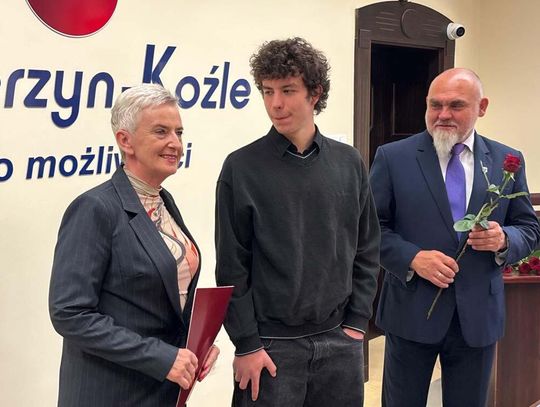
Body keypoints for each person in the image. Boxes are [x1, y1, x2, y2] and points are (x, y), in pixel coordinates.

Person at [215, 37, 381, 406]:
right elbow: (231, 266)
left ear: (314, 93)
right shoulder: (241, 168)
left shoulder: (349, 163)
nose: (276, 103)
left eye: (288, 90)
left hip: (340, 339)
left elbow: (367, 247)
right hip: (271, 347)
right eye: (267, 91)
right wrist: (247, 344)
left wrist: (358, 322)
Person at [370, 68, 540, 407]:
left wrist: (504, 239)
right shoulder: (393, 157)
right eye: (435, 105)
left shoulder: (507, 161)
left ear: (482, 107)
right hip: (411, 311)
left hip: (477, 318)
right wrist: (412, 258)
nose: (443, 114)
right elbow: (369, 229)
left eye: (456, 105)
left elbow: (529, 228)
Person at [49, 83, 219, 406]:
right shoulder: (95, 208)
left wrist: (196, 344)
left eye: (179, 132)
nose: (175, 143)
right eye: (161, 131)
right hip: (113, 393)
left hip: (163, 392)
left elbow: (162, 301)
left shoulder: (163, 201)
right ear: (125, 141)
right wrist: (161, 357)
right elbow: (70, 313)